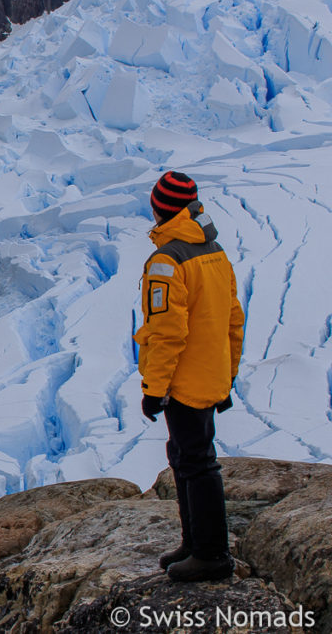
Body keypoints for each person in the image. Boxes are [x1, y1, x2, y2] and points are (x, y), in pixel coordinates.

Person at [133, 171, 244, 582]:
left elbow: (166, 334)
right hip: (209, 374)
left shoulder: (167, 260)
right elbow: (234, 320)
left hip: (183, 381)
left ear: (160, 208)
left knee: (196, 464)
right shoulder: (214, 252)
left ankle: (212, 555)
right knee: (185, 458)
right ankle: (193, 542)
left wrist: (154, 389)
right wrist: (227, 375)